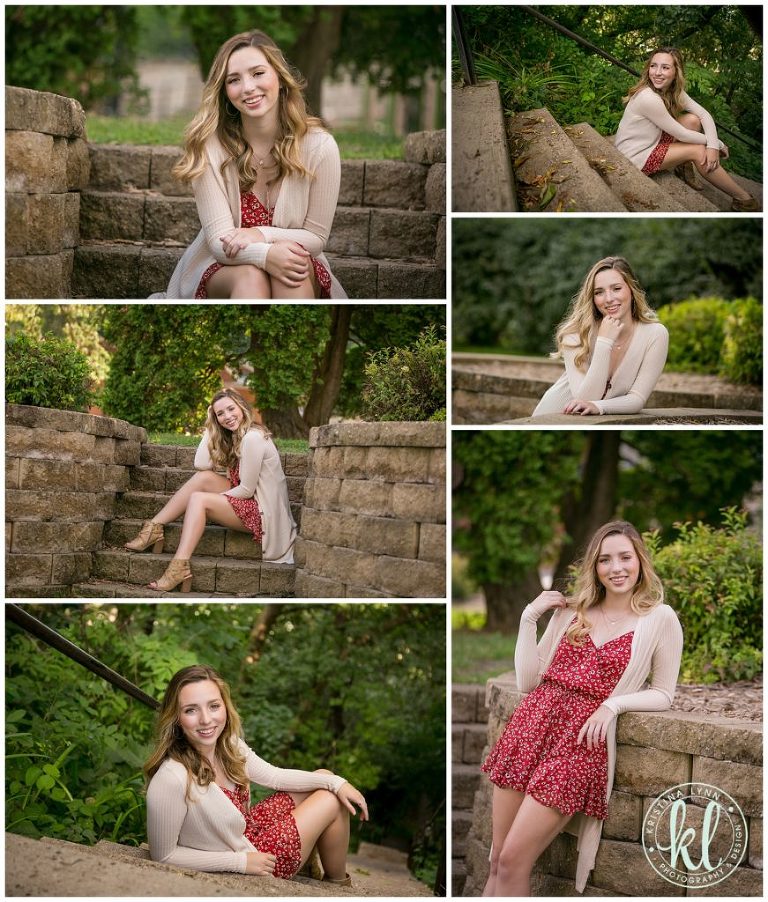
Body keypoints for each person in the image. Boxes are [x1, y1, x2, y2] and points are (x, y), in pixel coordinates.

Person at [481, 521, 683, 896]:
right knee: (495, 860)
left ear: (640, 560)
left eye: (625, 557)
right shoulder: (571, 613)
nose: (616, 568)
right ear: (595, 567)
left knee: (512, 862)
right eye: (605, 560)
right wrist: (529, 618)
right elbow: (527, 682)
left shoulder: (659, 618)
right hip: (530, 731)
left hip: (579, 747)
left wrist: (612, 704)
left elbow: (664, 693)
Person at [155, 30, 346, 299]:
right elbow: (220, 241)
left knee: (291, 276)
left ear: (279, 78)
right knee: (251, 277)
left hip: (297, 261)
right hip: (224, 266)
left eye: (258, 73)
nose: (247, 88)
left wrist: (260, 234)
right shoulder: (209, 147)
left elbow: (316, 237)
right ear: (224, 91)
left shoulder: (320, 147)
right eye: (234, 80)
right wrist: (266, 256)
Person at [145, 664, 368, 883]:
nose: (206, 719)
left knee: (324, 778)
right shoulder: (171, 777)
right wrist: (240, 863)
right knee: (330, 800)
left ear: (225, 706)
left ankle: (313, 864)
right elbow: (163, 855)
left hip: (245, 834)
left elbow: (275, 776)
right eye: (191, 710)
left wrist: (338, 782)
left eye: (213, 706)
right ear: (175, 717)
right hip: (255, 857)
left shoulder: (228, 745)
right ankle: (337, 884)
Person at [124, 388, 296, 592]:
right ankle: (154, 528)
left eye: (231, 409)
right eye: (220, 414)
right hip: (253, 502)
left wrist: (209, 499)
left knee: (198, 500)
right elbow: (201, 464)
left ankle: (178, 568)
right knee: (203, 479)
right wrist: (210, 427)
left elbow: (247, 490)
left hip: (264, 514)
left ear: (242, 407)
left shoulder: (252, 438)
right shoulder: (235, 436)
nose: (227, 416)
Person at [614, 47, 758, 211]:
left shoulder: (672, 90)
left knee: (693, 120)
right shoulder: (648, 97)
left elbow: (704, 114)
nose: (657, 72)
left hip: (650, 141)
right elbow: (681, 134)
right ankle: (745, 200)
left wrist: (712, 144)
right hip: (634, 156)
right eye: (653, 66)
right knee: (698, 151)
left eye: (665, 67)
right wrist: (715, 144)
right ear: (648, 68)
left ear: (676, 72)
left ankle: (683, 167)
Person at [532, 256, 668, 416]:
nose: (609, 299)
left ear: (631, 289)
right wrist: (604, 341)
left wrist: (600, 407)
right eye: (599, 292)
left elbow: (637, 400)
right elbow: (585, 399)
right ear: (592, 298)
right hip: (550, 419)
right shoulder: (576, 334)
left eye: (616, 289)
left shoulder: (655, 334)